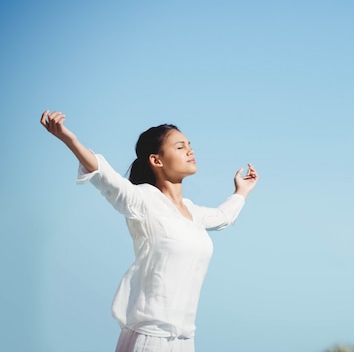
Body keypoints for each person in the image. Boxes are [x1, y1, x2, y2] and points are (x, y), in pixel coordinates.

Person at [40, 110, 258, 352]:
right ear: (157, 160)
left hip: (185, 340)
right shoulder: (143, 200)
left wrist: (242, 192)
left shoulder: (191, 212)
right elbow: (106, 178)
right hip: (150, 339)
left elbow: (222, 217)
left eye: (190, 145)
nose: (190, 151)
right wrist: (69, 139)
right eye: (180, 146)